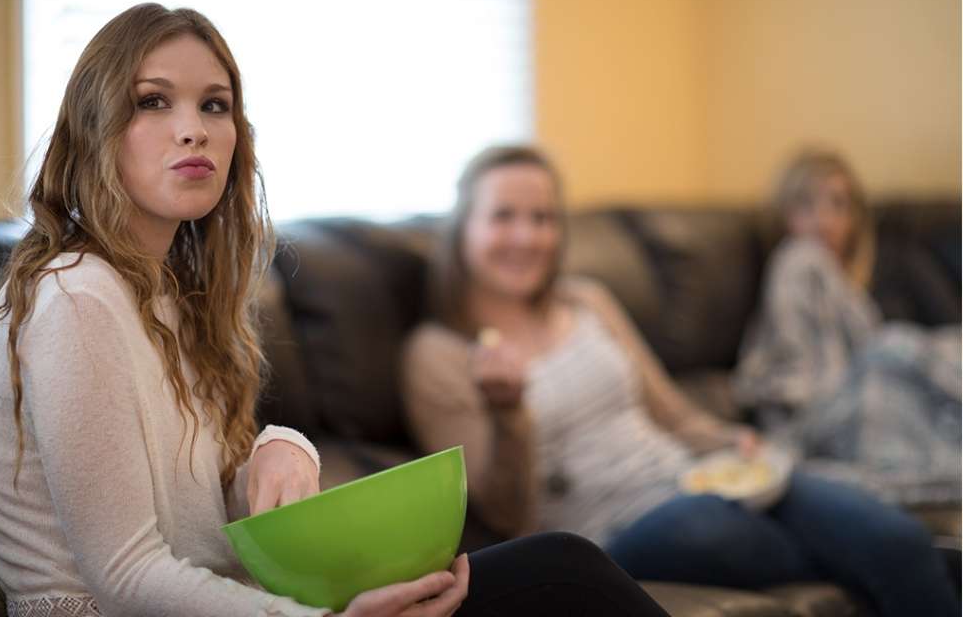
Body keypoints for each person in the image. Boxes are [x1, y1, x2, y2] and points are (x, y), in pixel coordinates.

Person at [0, 5, 670, 617]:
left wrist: (280, 446)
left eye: (214, 104)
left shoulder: (162, 293)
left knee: (550, 572)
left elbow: (203, 506)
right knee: (562, 572)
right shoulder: (75, 294)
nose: (192, 128)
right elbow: (124, 573)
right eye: (153, 101)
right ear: (97, 125)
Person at [401, 144, 960, 617]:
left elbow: (668, 410)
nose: (527, 237)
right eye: (504, 216)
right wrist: (508, 412)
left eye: (543, 218)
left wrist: (730, 441)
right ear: (463, 228)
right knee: (714, 530)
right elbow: (507, 515)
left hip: (701, 479)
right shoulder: (438, 354)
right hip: (621, 528)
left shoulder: (587, 299)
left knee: (895, 536)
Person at [734, 149, 961, 505]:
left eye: (837, 204)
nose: (823, 220)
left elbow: (947, 330)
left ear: (855, 214)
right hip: (848, 407)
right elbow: (801, 370)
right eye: (806, 205)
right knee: (892, 345)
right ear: (785, 215)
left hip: (918, 394)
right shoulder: (797, 264)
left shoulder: (895, 261)